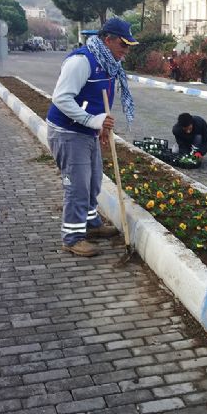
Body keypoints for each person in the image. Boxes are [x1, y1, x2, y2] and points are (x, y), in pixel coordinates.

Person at [46, 17, 138, 257]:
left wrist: (101, 128)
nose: (125, 51)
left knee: (94, 180)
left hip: (88, 131)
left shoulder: (109, 64)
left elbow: (99, 101)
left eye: (129, 46)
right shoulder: (81, 61)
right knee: (77, 185)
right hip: (68, 131)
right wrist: (91, 121)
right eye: (123, 45)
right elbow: (62, 98)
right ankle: (72, 237)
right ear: (108, 40)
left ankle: (91, 224)